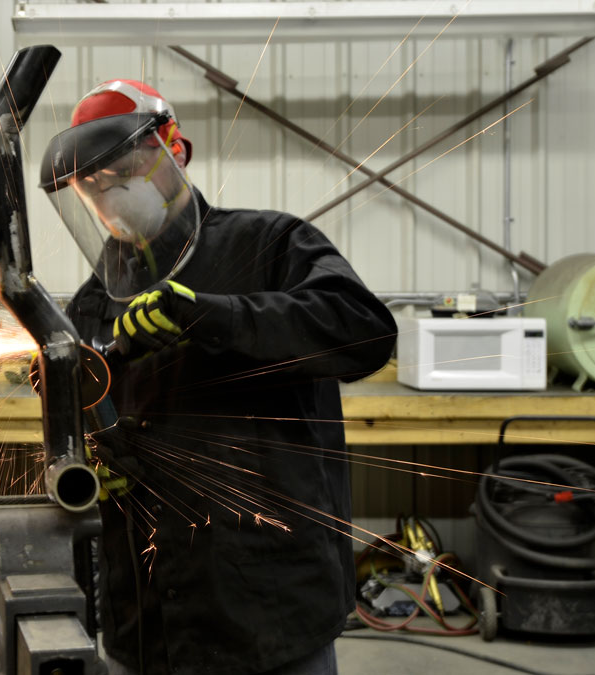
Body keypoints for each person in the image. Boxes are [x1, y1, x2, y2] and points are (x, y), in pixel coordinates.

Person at [38, 80, 398, 675]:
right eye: (92, 184)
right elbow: (82, 444)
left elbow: (363, 332)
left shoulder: (269, 245)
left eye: (124, 168)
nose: (112, 192)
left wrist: (214, 314)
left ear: (174, 150)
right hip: (149, 615)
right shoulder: (92, 304)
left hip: (269, 606)